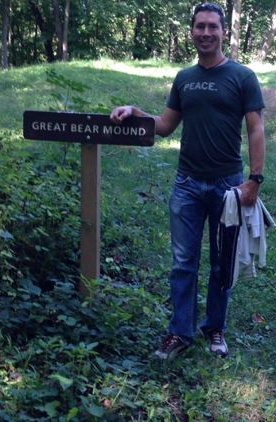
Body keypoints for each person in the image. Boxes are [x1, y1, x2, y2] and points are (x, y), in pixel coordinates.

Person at [110, 2, 266, 360]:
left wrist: (254, 180)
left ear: (223, 32)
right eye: (200, 27)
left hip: (229, 186)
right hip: (187, 185)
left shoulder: (242, 77)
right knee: (183, 263)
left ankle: (215, 329)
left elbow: (256, 129)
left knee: (222, 262)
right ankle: (179, 333)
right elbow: (165, 125)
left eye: (213, 26)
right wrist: (136, 112)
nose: (206, 33)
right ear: (192, 32)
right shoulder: (184, 78)